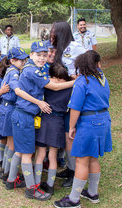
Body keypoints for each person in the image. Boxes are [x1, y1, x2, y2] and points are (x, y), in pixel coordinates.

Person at [6, 41, 75, 200]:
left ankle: (11, 180)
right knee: (27, 154)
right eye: (38, 55)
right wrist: (76, 81)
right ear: (31, 55)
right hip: (24, 115)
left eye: (45, 55)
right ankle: (31, 189)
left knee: (20, 150)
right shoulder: (32, 71)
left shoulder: (32, 69)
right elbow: (55, 87)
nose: (42, 58)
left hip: (24, 115)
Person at [54, 50, 112, 208]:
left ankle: (74, 199)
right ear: (97, 64)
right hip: (103, 119)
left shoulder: (82, 81)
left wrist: (71, 127)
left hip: (89, 123)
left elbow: (75, 108)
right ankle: (92, 193)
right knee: (93, 158)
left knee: (81, 160)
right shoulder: (102, 78)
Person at [51, 21, 86, 187]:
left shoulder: (76, 47)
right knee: (65, 137)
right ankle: (70, 167)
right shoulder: (59, 48)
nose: (51, 34)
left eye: (53, 31)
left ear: (60, 32)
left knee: (70, 136)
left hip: (72, 96)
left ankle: (74, 172)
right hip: (60, 96)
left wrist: (71, 77)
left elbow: (87, 72)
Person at [35, 63, 73, 195]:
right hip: (58, 122)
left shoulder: (47, 84)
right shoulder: (70, 87)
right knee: (52, 156)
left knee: (40, 154)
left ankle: (37, 183)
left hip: (46, 120)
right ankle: (50, 185)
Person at [0, 47, 28, 183]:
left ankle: (5, 169)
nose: (23, 62)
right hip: (10, 108)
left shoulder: (11, 70)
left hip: (6, 107)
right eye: (20, 60)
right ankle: (8, 173)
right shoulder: (14, 72)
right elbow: (16, 88)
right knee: (12, 144)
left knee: (10, 143)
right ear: (12, 60)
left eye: (24, 59)